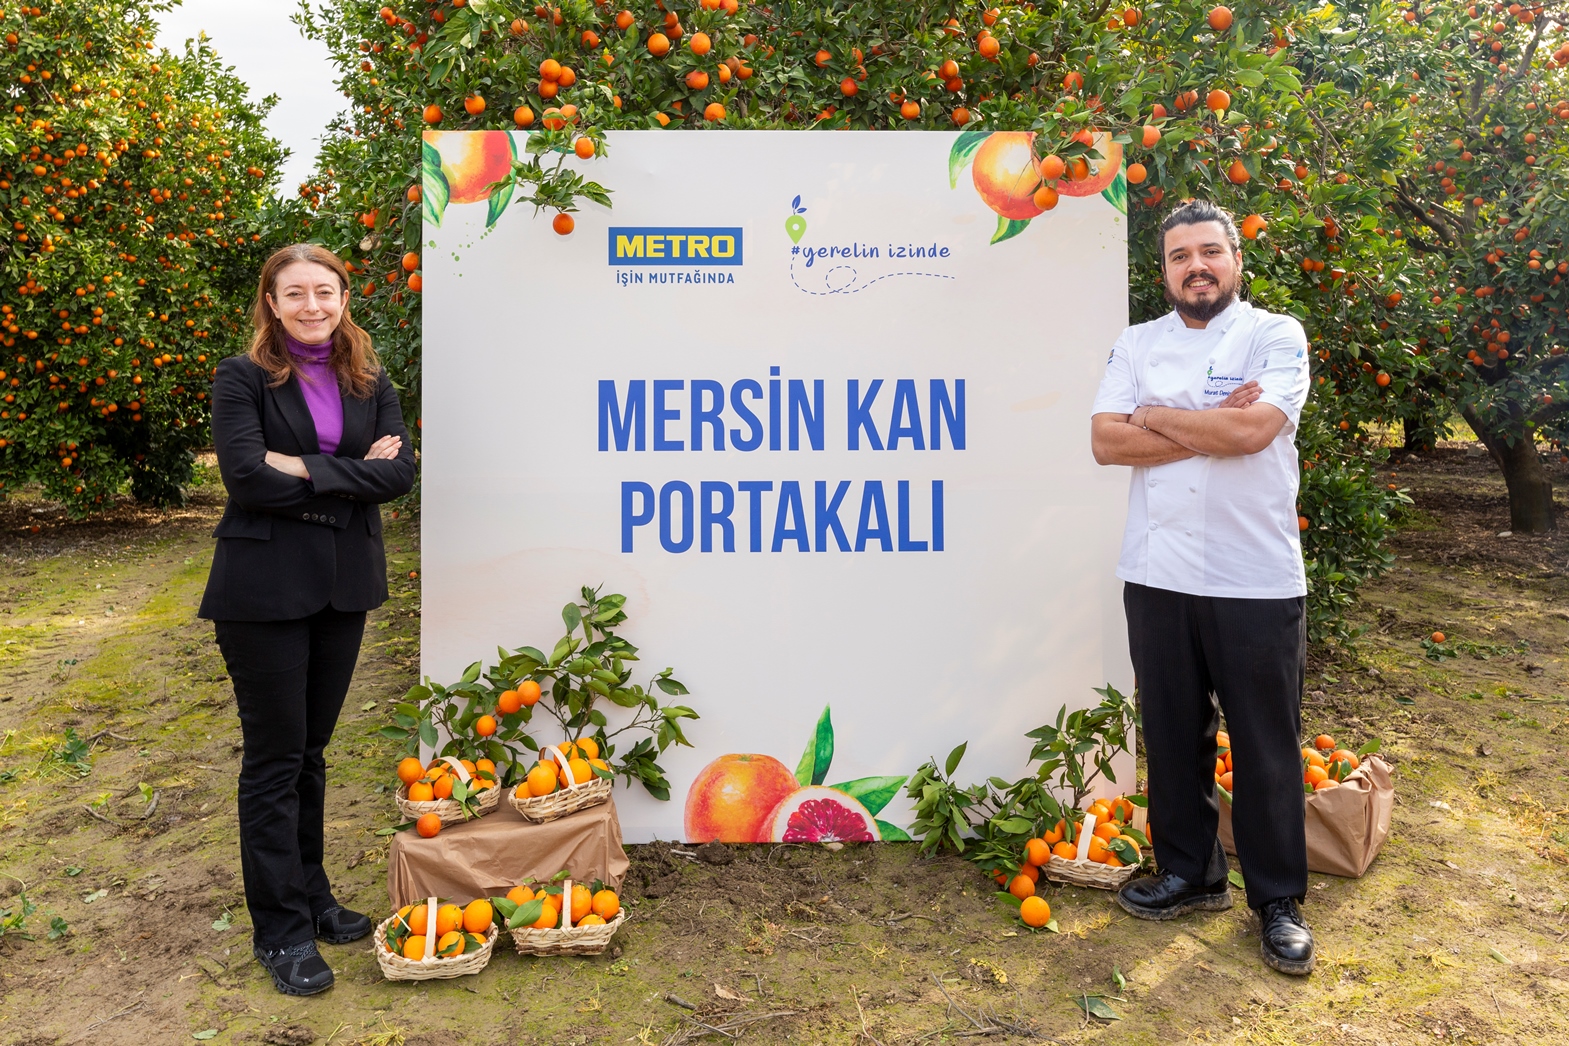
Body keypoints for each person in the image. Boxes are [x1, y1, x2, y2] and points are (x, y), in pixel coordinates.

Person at [1089, 200, 1315, 975]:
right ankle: (1188, 873)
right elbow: (1103, 441)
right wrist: (1199, 421)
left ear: (1234, 260)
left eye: (1209, 251)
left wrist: (1152, 418)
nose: (1196, 266)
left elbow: (1252, 432)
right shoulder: (1136, 342)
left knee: (1264, 745)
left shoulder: (1273, 335)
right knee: (1172, 730)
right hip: (1156, 572)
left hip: (1252, 575)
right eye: (1180, 255)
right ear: (1164, 271)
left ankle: (1278, 899)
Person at [199, 243, 416, 995]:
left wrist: (305, 468)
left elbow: (399, 473)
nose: (312, 306)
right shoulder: (243, 377)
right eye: (295, 294)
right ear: (271, 302)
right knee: (273, 761)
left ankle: (315, 896)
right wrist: (348, 479)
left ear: (345, 296)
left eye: (325, 291)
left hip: (342, 585)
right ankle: (281, 931)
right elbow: (245, 477)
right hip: (262, 590)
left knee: (312, 753)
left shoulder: (369, 375)